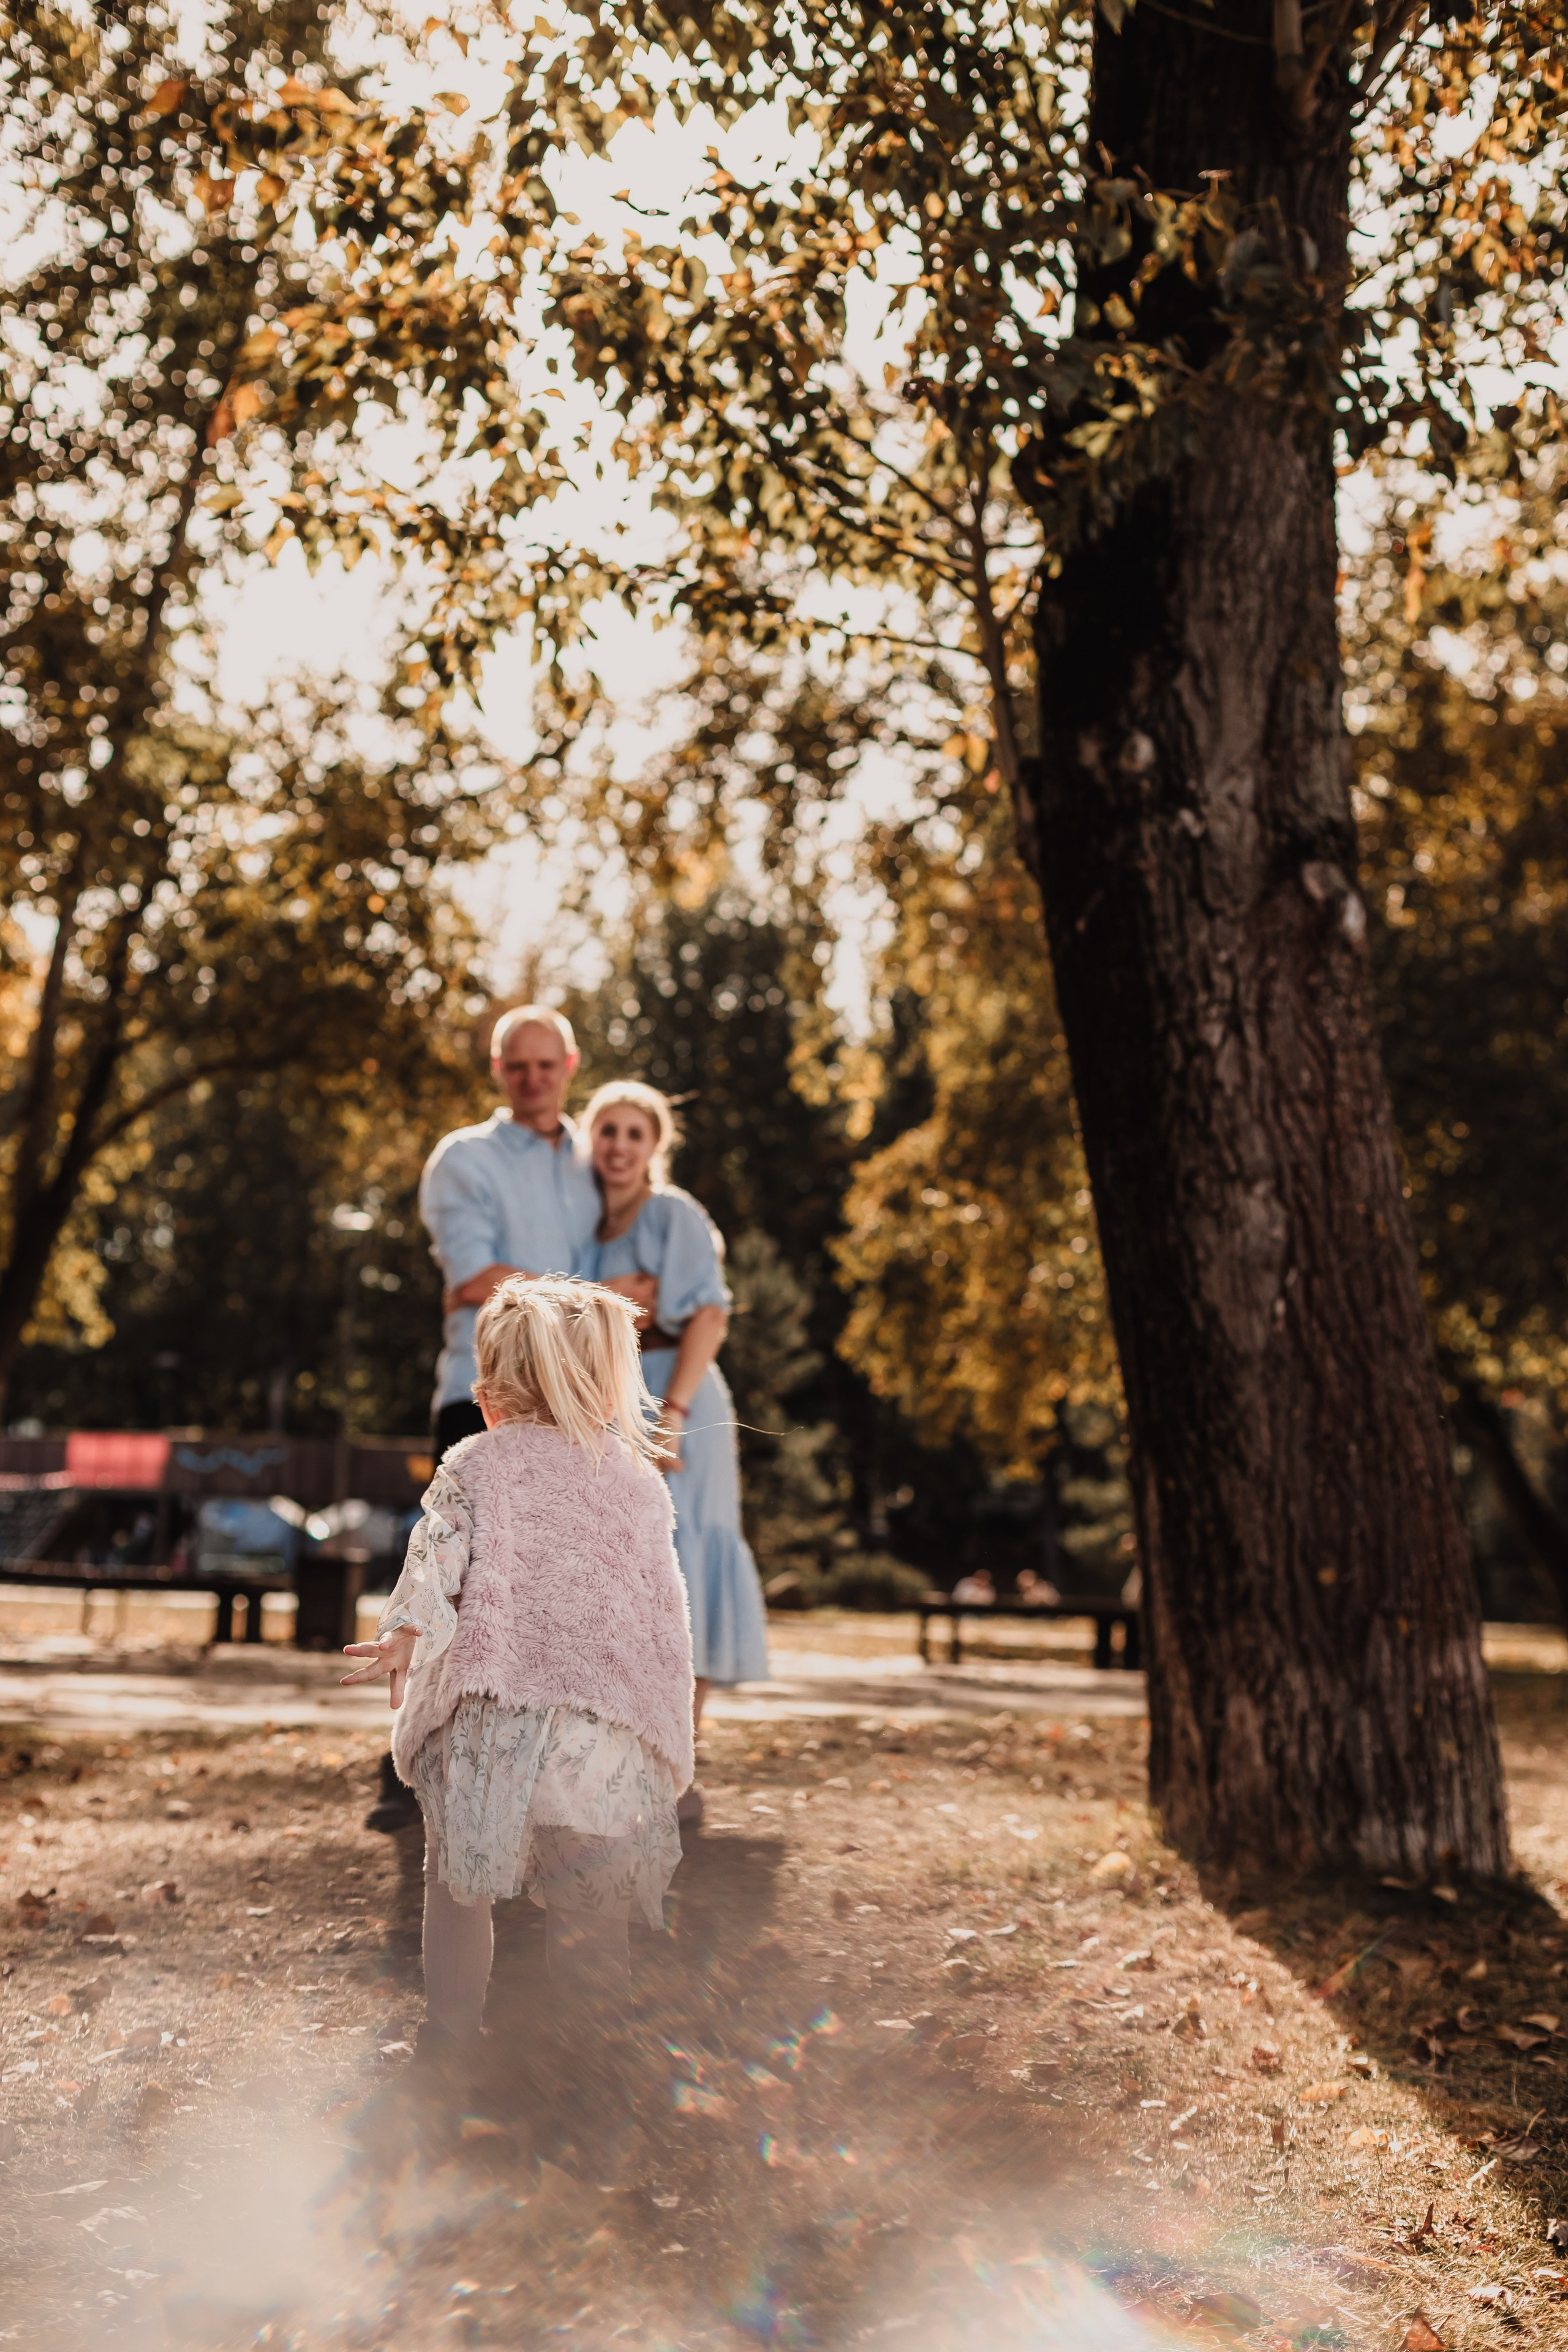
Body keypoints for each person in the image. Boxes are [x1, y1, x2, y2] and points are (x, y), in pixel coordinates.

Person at [341, 1276, 693, 2054]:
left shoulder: (479, 1465)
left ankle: (451, 2034)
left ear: (491, 1396)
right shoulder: (637, 1485)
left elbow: (436, 1556)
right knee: (590, 1907)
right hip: (598, 1730)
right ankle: (591, 2052)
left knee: (458, 1885)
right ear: (603, 1387)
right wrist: (666, 1723)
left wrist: (406, 1631)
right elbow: (661, 1617)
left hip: (491, 1725)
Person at [363, 1003, 654, 1833]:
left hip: (582, 1404)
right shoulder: (465, 1159)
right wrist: (604, 1303)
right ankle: (406, 1766)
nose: (532, 1079)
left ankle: (542, 1768)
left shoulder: (597, 1161)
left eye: (546, 1064)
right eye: (515, 1066)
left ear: (570, 1063)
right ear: (498, 1072)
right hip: (482, 1389)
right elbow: (472, 1278)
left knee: (559, 1583)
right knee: (458, 1571)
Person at [578, 1082, 769, 1826]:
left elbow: (710, 1314)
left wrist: (674, 1416)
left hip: (680, 1397)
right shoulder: (582, 1232)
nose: (620, 1145)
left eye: (634, 1133)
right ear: (591, 1141)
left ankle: (678, 1758)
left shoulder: (675, 1215)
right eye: (607, 1131)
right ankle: (625, 1747)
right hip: (612, 1395)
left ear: (655, 1145)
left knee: (685, 1558)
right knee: (623, 1561)